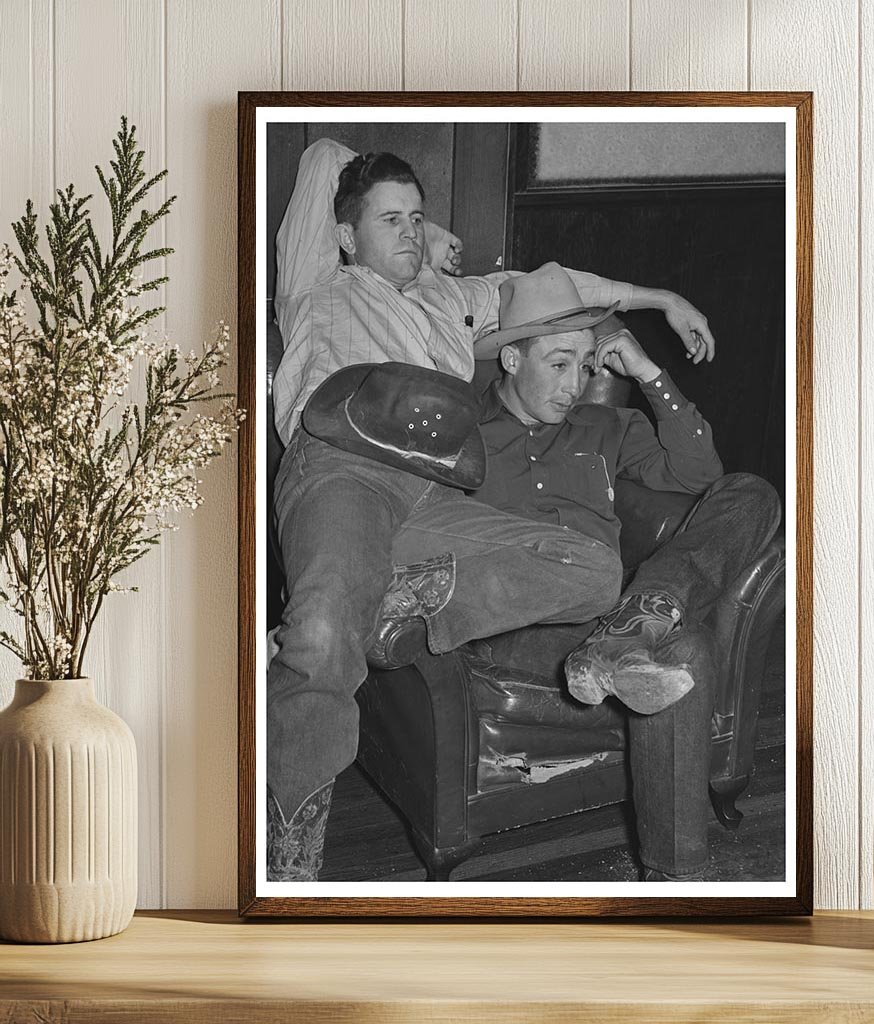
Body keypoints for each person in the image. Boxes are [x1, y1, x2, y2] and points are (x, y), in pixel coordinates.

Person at [268, 138, 721, 882]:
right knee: (320, 637)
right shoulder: (321, 281)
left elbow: (560, 284)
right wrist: (434, 230)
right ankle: (288, 878)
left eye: (418, 218)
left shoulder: (457, 299)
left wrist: (658, 299)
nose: (411, 233)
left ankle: (394, 603)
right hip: (346, 470)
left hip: (437, 493)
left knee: (592, 567)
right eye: (391, 221)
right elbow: (320, 155)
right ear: (345, 236)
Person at [462, 264, 782, 880]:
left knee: (752, 492)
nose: (574, 384)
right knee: (682, 650)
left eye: (584, 366)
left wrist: (650, 374)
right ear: (509, 360)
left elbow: (699, 475)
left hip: (611, 612)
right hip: (523, 623)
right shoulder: (463, 435)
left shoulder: (604, 425)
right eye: (557, 364)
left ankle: (635, 625)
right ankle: (676, 875)